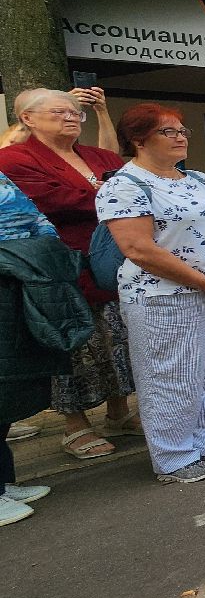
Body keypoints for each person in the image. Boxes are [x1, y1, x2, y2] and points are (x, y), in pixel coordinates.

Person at [97, 105, 205, 483]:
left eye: (183, 131)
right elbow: (139, 249)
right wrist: (202, 281)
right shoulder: (124, 184)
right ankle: (174, 457)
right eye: (169, 131)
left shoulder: (197, 179)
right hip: (161, 295)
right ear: (138, 139)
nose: (181, 136)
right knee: (169, 376)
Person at [0, 87, 138, 461]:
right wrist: (107, 194)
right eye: (60, 112)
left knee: (118, 338)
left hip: (112, 261)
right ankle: (75, 425)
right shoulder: (13, 159)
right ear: (27, 118)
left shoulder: (97, 155)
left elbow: (133, 189)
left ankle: (118, 410)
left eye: (76, 112)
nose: (72, 117)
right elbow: (56, 200)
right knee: (74, 347)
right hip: (59, 268)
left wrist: (106, 193)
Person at [1, 171, 94, 523]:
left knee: (7, 383)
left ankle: (3, 483)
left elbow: (35, 219)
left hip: (18, 274)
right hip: (13, 268)